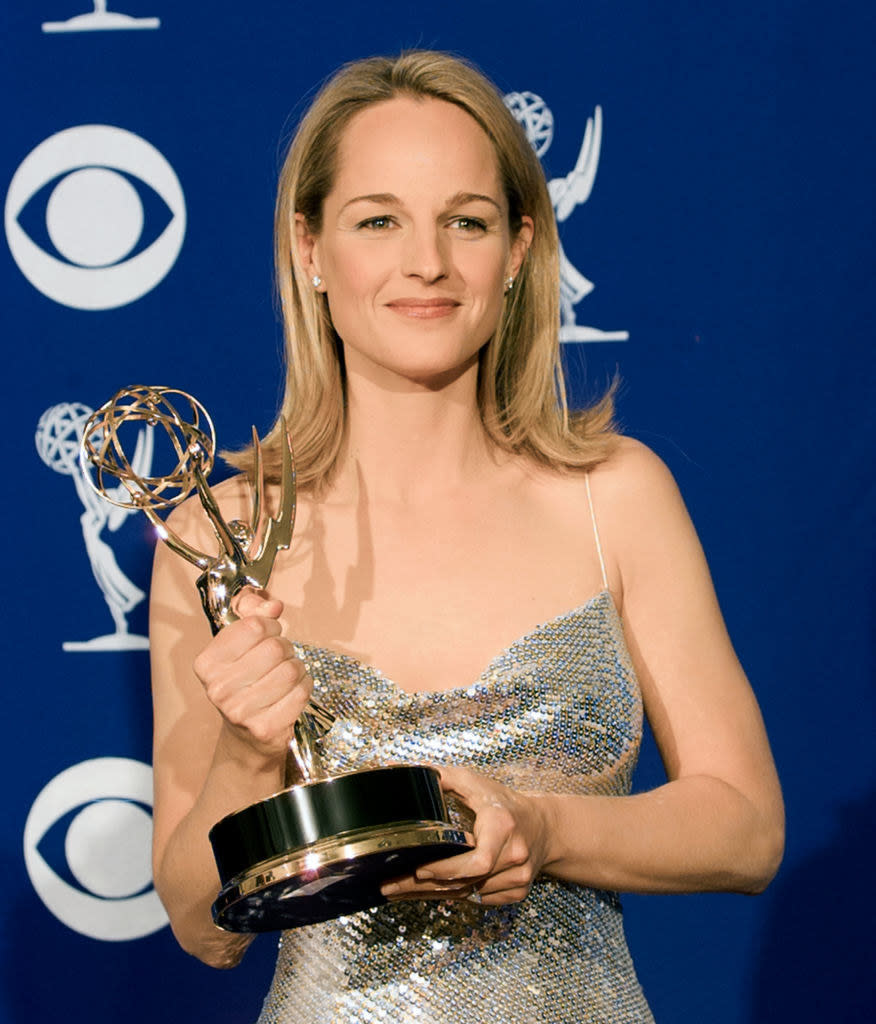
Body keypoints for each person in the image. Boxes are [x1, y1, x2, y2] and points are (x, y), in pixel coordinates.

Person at [148, 50, 784, 1023]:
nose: (428, 263)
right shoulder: (217, 535)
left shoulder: (616, 496)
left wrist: (541, 828)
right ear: (310, 249)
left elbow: (745, 828)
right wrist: (244, 754)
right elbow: (203, 924)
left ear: (520, 249)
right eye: (378, 220)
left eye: (466, 221)